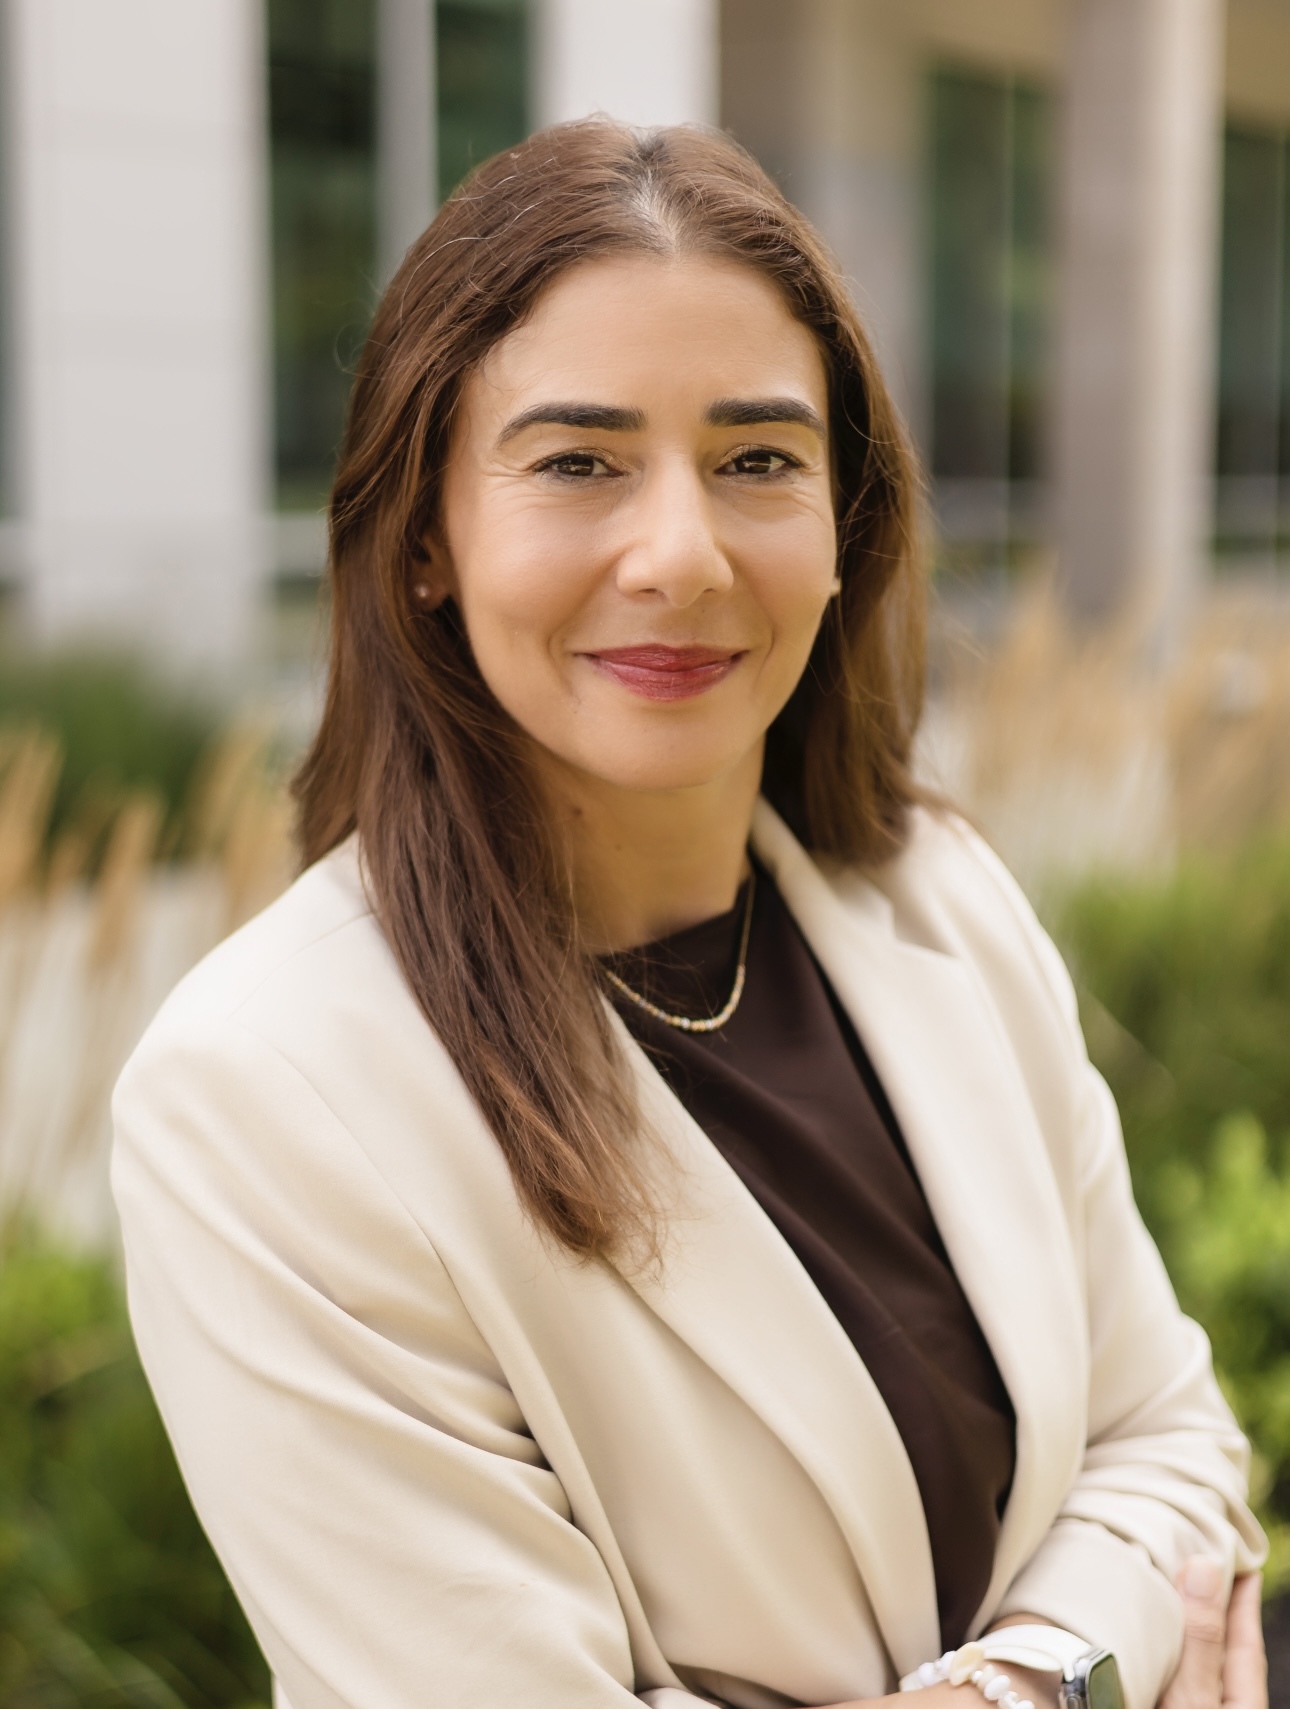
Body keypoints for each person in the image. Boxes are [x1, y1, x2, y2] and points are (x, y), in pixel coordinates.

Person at [111, 121, 1266, 1709]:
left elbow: (1173, 1446)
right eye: (579, 460)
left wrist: (1024, 1683)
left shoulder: (938, 901)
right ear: (429, 536)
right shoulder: (264, 1093)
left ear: (844, 524)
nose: (680, 552)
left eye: (755, 460)